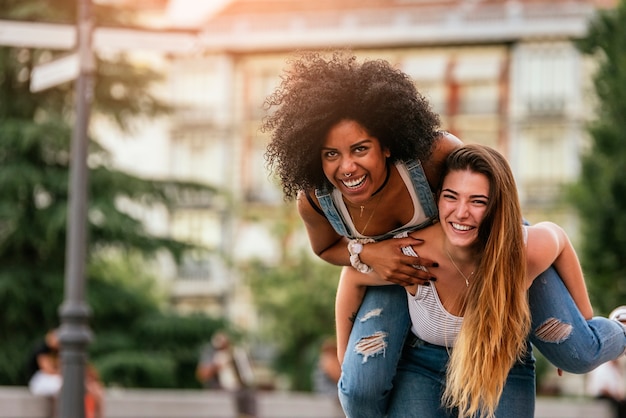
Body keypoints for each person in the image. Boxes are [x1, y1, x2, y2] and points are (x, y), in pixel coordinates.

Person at [262, 51, 626, 417]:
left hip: (485, 247)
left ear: (387, 144)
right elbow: (328, 250)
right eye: (331, 154)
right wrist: (371, 254)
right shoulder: (316, 199)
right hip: (407, 269)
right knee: (359, 391)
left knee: (577, 353)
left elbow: (478, 189)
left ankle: (620, 325)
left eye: (360, 149)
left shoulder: (433, 154)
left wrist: (581, 320)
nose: (347, 167)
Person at [26, 328, 103, 418]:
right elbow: (48, 370)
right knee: (62, 387)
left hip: (56, 378)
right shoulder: (42, 348)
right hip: (39, 379)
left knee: (92, 389)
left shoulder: (62, 350)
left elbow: (88, 369)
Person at [196, 331, 257, 418]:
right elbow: (202, 375)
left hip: (236, 388)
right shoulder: (210, 353)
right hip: (218, 386)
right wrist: (217, 366)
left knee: (250, 394)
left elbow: (245, 373)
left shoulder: (235, 353)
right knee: (237, 395)